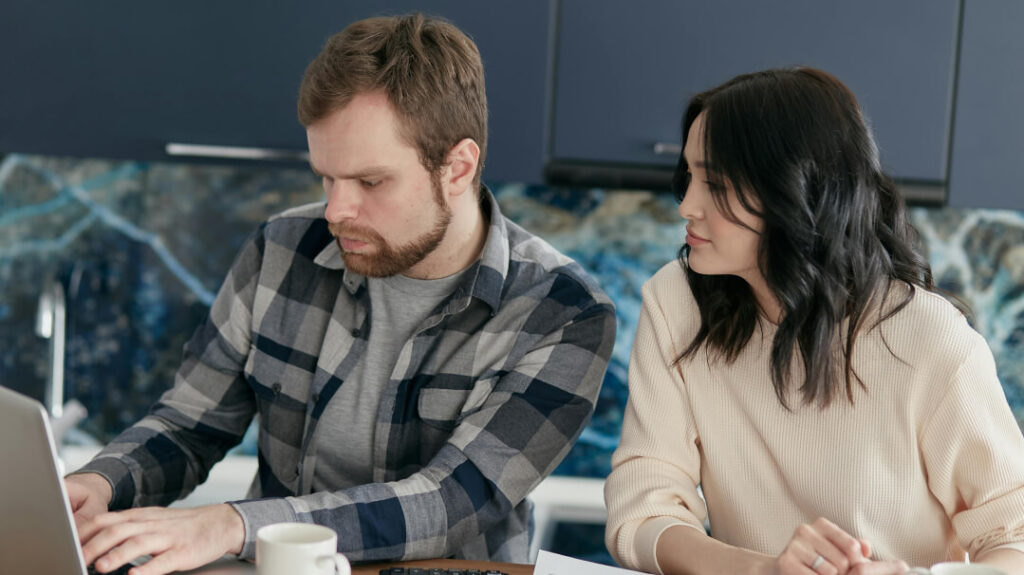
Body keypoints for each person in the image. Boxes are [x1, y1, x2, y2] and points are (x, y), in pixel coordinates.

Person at [65, 14, 616, 575]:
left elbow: (450, 502)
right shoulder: (282, 248)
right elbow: (190, 425)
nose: (335, 211)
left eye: (370, 182)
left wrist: (231, 524)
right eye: (326, 177)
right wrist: (101, 482)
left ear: (458, 166)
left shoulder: (564, 312)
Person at [604, 67, 1024, 575]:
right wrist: (762, 571)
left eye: (714, 183)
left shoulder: (931, 340)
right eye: (688, 176)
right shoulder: (676, 301)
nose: (686, 205)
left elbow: (1015, 541)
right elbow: (643, 508)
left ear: (794, 193)